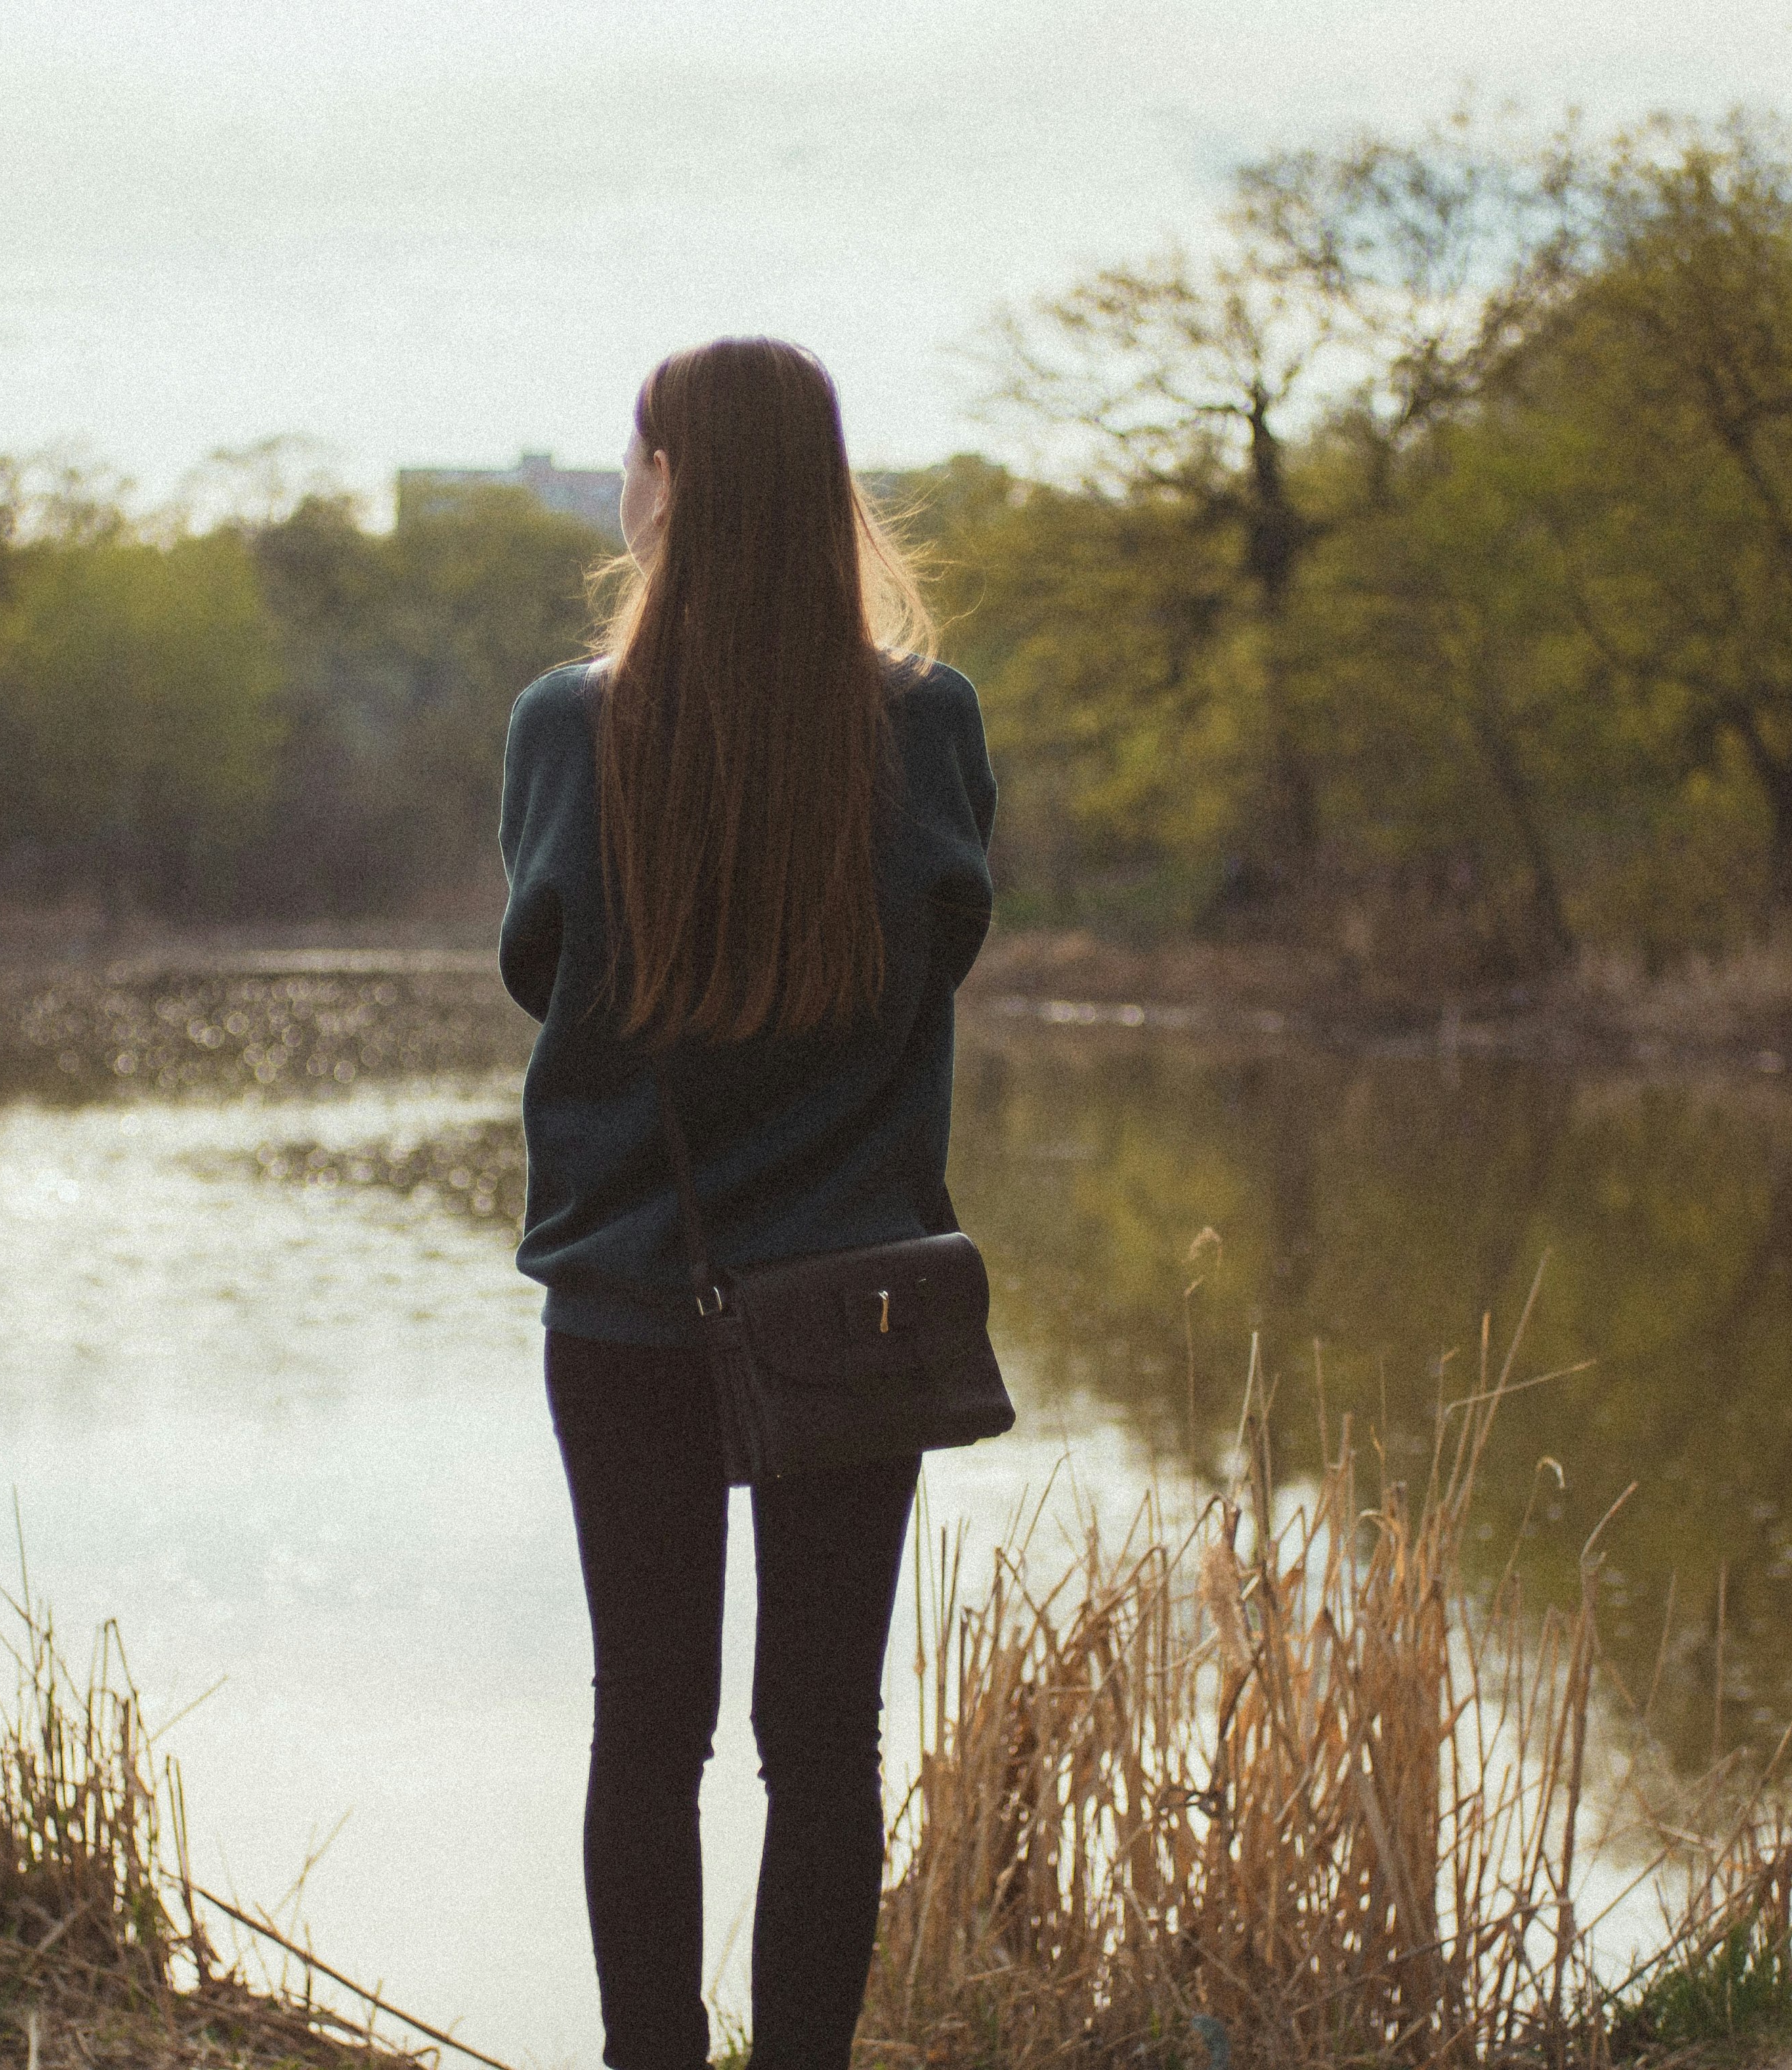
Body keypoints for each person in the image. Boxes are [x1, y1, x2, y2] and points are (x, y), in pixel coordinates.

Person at [496, 337, 995, 2070]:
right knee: (823, 1739)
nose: (622, 488)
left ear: (673, 490)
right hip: (856, 1304)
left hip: (632, 1296)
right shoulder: (925, 724)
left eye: (634, 459)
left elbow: (540, 962)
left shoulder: (570, 725)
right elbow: (943, 948)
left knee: (646, 1722)